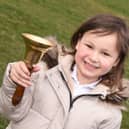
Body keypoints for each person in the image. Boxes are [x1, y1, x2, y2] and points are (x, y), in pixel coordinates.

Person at [0, 14, 129, 129]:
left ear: (117, 61)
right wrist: (14, 83)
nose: (93, 58)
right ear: (78, 42)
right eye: (89, 46)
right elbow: (10, 112)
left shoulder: (110, 114)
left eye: (105, 54)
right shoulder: (43, 72)